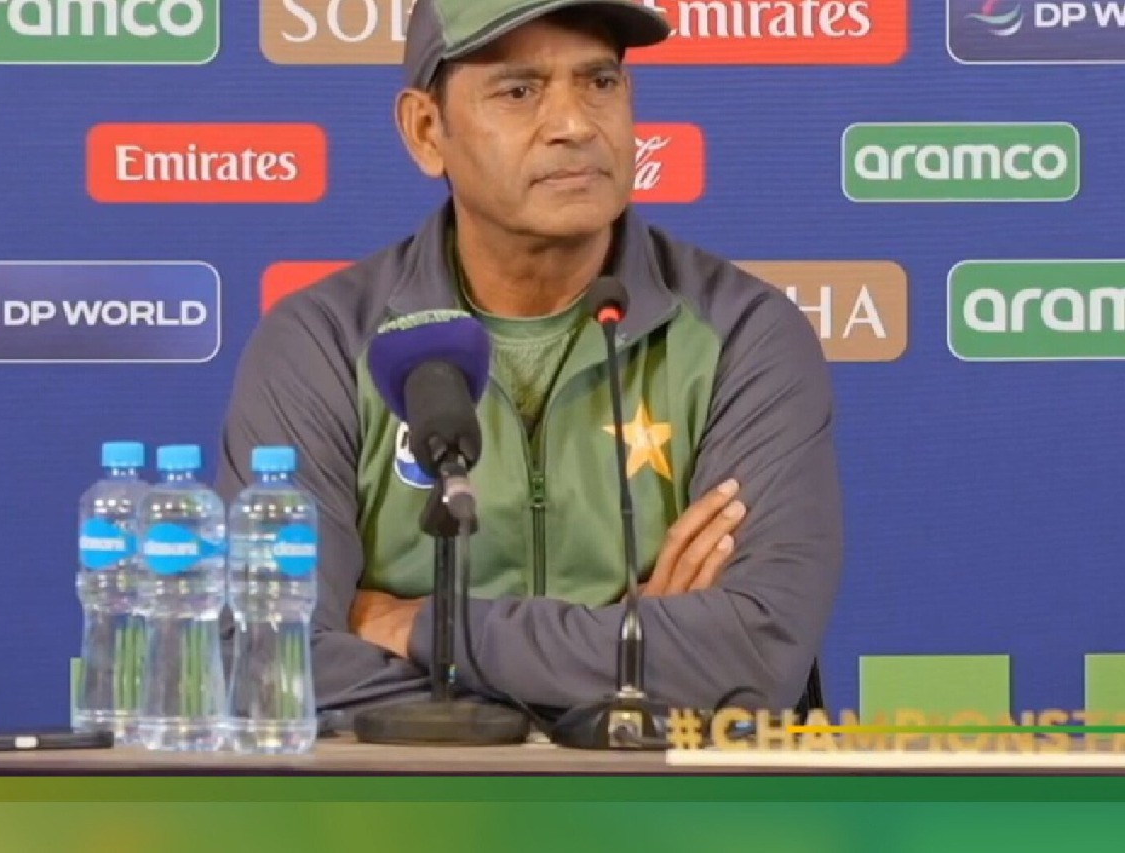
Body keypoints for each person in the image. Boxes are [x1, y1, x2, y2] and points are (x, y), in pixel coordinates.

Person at [216, 0, 843, 727]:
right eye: (519, 91)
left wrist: (422, 628)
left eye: (600, 83)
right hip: (407, 795)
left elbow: (751, 658)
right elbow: (266, 658)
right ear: (426, 131)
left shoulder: (742, 334)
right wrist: (622, 671)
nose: (575, 124)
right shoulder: (323, 343)